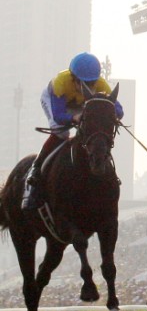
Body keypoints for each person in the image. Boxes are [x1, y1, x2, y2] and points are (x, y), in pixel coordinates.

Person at [24, 52, 125, 211]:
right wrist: (74, 118)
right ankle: (36, 170)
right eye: (85, 83)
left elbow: (119, 110)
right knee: (61, 133)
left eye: (92, 83)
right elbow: (58, 116)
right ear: (73, 78)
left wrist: (107, 113)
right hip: (58, 104)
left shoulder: (101, 84)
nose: (90, 87)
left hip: (81, 106)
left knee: (94, 133)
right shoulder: (60, 84)